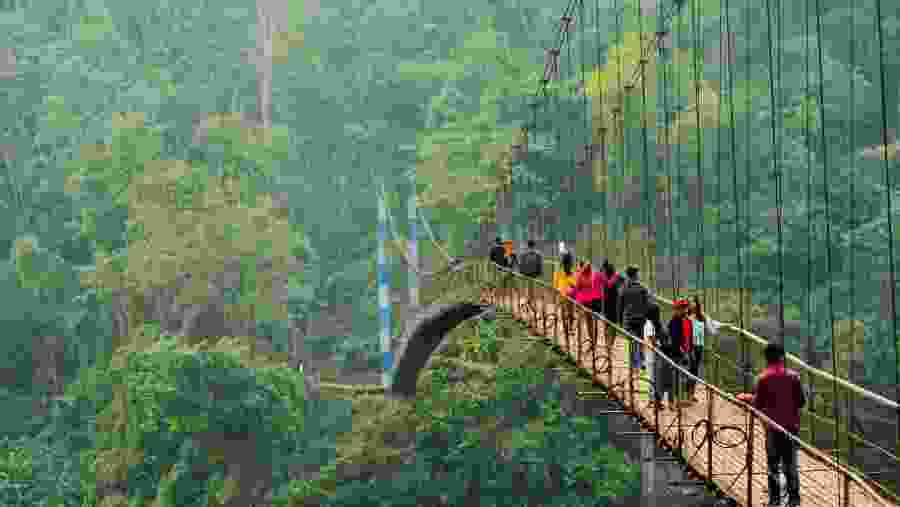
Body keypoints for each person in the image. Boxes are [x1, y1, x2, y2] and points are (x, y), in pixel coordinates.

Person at [749, 342, 806, 507]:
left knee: (773, 465)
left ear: (766, 358)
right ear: (782, 357)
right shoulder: (794, 377)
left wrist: (749, 398)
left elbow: (757, 405)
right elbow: (801, 402)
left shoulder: (762, 379)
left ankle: (774, 501)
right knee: (791, 465)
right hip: (791, 428)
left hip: (772, 428)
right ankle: (794, 501)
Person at [620, 265, 651, 375]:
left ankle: (634, 365)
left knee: (632, 341)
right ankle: (642, 361)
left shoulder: (624, 288)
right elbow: (647, 304)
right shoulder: (643, 288)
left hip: (629, 319)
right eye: (638, 273)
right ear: (636, 275)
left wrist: (620, 321)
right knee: (641, 338)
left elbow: (621, 305)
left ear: (628, 275)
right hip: (641, 319)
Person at [644, 303, 673, 410]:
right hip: (651, 356)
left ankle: (656, 400)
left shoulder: (653, 324)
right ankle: (652, 400)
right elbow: (652, 341)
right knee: (652, 379)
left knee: (656, 379)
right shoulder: (649, 325)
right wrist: (661, 346)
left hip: (656, 356)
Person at [667, 298, 694, 406]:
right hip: (676, 354)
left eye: (685, 307)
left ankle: (680, 399)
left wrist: (690, 351)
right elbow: (674, 340)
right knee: (674, 378)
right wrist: (682, 352)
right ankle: (672, 401)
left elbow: (690, 337)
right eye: (681, 308)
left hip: (686, 353)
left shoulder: (688, 321)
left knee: (683, 378)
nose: (683, 310)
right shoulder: (673, 323)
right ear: (676, 309)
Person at [602, 261, 623, 346]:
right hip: (615, 306)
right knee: (613, 326)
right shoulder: (616, 279)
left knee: (606, 325)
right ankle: (610, 343)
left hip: (607, 306)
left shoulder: (605, 280)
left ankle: (607, 343)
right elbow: (622, 281)